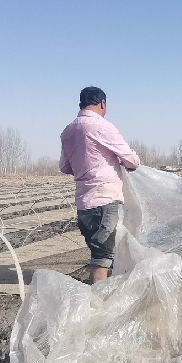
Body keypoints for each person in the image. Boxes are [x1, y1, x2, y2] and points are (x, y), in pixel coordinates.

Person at [59, 86, 141, 284]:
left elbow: (64, 166)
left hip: (84, 204)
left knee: (100, 252)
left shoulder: (68, 130)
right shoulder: (102, 126)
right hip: (105, 200)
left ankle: (103, 292)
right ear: (102, 103)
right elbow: (132, 160)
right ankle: (98, 304)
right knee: (102, 258)